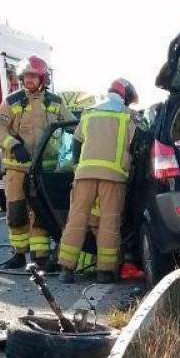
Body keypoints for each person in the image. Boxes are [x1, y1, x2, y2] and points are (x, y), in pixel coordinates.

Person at [0, 56, 75, 269]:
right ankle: (19, 254)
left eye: (33, 76)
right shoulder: (12, 101)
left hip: (43, 170)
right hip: (16, 169)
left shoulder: (55, 102)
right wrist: (13, 145)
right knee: (16, 212)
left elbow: (72, 126)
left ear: (42, 78)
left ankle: (40, 256)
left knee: (40, 213)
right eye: (26, 76)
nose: (28, 80)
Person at [58, 78, 138, 284]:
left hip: (84, 174)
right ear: (126, 96)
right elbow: (137, 145)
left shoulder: (89, 112)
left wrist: (78, 168)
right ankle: (105, 272)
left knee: (76, 219)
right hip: (113, 176)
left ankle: (66, 269)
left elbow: (76, 142)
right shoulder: (128, 116)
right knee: (109, 222)